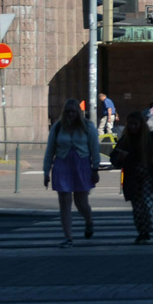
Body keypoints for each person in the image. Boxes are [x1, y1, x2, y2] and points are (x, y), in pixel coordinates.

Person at [113, 102, 153, 241]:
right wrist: (120, 157)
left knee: (147, 204)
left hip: (148, 176)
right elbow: (114, 158)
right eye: (131, 124)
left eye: (136, 124)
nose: (133, 127)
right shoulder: (126, 140)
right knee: (137, 207)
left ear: (141, 124)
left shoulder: (151, 137)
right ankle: (142, 231)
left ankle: (146, 227)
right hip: (132, 177)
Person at [44, 99, 97, 247]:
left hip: (82, 165)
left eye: (74, 112)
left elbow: (94, 148)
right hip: (62, 165)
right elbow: (50, 150)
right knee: (65, 202)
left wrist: (96, 168)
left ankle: (89, 221)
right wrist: (46, 171)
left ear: (79, 113)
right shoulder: (58, 127)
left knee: (81, 203)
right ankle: (68, 237)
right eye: (68, 112)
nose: (71, 115)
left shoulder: (88, 126)